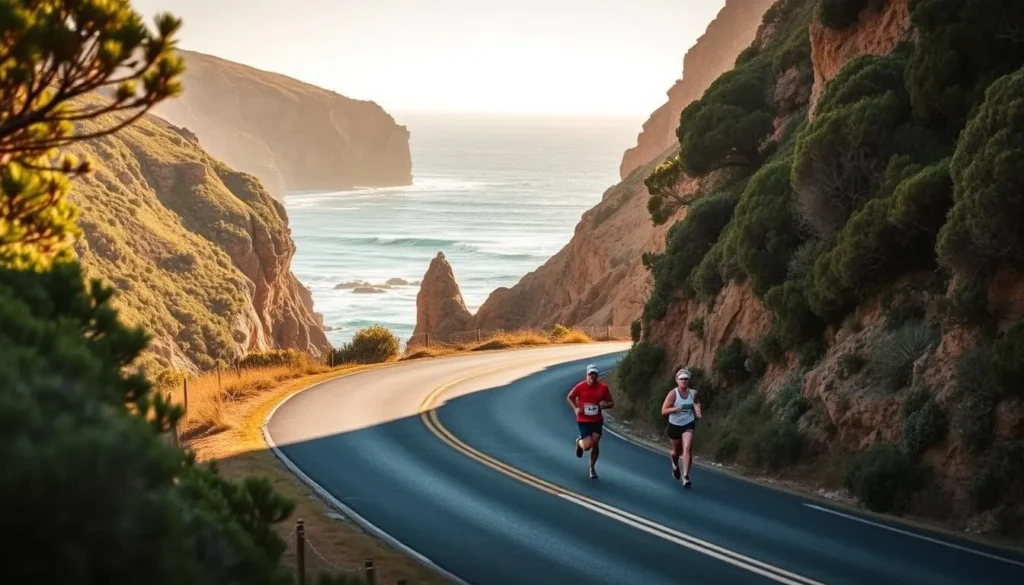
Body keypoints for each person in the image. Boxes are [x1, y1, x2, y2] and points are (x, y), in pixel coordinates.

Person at [567, 364, 614, 479]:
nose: (592, 376)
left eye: (594, 374)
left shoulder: (603, 388)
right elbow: (570, 397)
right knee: (587, 446)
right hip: (583, 420)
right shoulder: (580, 386)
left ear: (597, 375)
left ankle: (592, 468)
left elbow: (611, 403)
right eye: (590, 374)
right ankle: (579, 442)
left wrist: (605, 405)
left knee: (596, 445)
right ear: (586, 375)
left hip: (597, 420)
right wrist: (575, 408)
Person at [661, 368, 701, 488]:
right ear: (677, 381)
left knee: (687, 448)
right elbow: (663, 411)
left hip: (688, 424)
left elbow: (697, 402)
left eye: (686, 379)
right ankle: (675, 464)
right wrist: (675, 409)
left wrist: (698, 411)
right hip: (675, 425)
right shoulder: (673, 394)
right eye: (681, 379)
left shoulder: (693, 393)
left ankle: (685, 476)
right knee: (676, 452)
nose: (684, 381)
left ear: (688, 381)